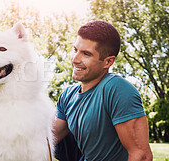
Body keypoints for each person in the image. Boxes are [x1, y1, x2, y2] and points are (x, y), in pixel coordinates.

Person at [53, 20, 153, 161]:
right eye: (75, 50)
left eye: (86, 54)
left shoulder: (117, 89)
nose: (75, 59)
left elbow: (141, 155)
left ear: (108, 62)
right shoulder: (68, 95)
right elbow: (48, 138)